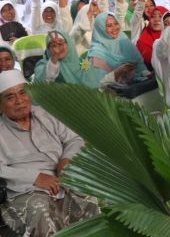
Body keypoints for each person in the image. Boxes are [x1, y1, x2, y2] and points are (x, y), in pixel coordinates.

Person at [0, 70, 99, 235]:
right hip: (26, 189)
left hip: (64, 178)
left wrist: (66, 160)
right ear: (0, 105)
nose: (19, 101)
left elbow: (74, 139)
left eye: (23, 93)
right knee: (40, 210)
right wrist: (35, 177)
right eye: (10, 97)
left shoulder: (46, 114)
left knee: (90, 195)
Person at [33, 31, 101, 89]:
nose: (58, 47)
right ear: (48, 49)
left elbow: (95, 86)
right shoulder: (42, 66)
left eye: (60, 43)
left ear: (69, 44)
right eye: (53, 45)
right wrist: (55, 57)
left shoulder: (84, 64)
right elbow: (41, 85)